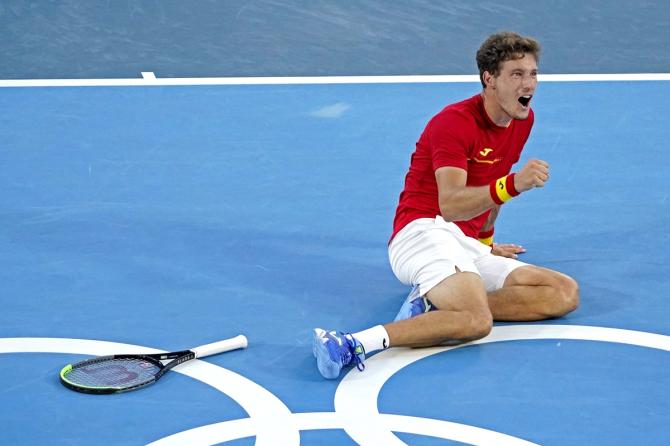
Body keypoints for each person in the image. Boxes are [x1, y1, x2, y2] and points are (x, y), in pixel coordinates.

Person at [312, 31, 579, 379]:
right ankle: (351, 343)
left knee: (561, 293)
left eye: (532, 74)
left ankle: (436, 307)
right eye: (516, 74)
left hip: (464, 243)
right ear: (489, 79)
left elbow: (492, 180)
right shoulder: (453, 123)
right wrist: (514, 184)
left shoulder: (521, 120)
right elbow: (451, 205)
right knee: (476, 320)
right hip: (423, 230)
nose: (528, 83)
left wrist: (484, 245)